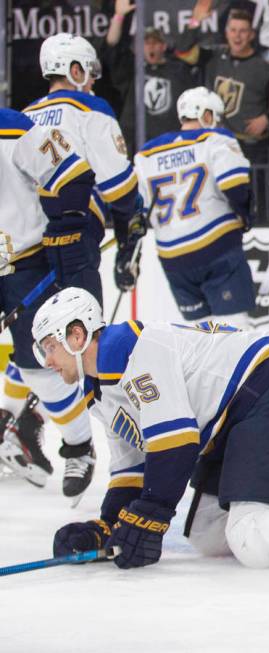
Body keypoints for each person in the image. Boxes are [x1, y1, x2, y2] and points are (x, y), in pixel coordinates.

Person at [38, 286, 269, 570]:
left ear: (77, 335)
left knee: (252, 539)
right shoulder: (100, 392)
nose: (47, 360)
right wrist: (107, 527)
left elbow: (176, 444)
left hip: (267, 391)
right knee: (208, 532)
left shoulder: (128, 348)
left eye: (49, 347)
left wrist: (151, 516)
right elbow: (132, 469)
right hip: (230, 422)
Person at [2, 33, 142, 499]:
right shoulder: (91, 112)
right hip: (70, 238)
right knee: (82, 351)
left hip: (32, 247)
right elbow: (118, 186)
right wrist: (131, 229)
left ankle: (27, 421)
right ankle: (115, 452)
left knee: (41, 346)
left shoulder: (23, 116)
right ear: (79, 71)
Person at [0, 107, 97, 497]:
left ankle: (79, 448)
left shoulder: (12, 127)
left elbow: (73, 176)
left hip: (27, 263)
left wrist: (66, 231)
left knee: (39, 364)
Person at [133, 87, 256, 329]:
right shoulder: (214, 140)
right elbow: (234, 184)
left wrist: (128, 252)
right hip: (217, 248)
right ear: (207, 115)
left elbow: (135, 208)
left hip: (173, 257)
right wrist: (245, 215)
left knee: (199, 335)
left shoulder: (146, 154)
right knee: (235, 329)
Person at [176, 5, 269, 165]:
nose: (237, 36)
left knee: (251, 190)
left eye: (243, 31)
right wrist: (195, 22)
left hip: (251, 148)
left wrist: (267, 118)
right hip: (217, 142)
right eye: (233, 30)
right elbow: (183, 52)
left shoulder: (266, 66)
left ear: (252, 35)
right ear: (226, 33)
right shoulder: (213, 57)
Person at [103, 0, 199, 154]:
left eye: (155, 42)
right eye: (146, 43)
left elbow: (188, 49)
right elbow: (112, 45)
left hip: (174, 148)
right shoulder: (132, 71)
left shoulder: (178, 70)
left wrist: (195, 21)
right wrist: (119, 16)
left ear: (164, 46)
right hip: (140, 150)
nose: (151, 46)